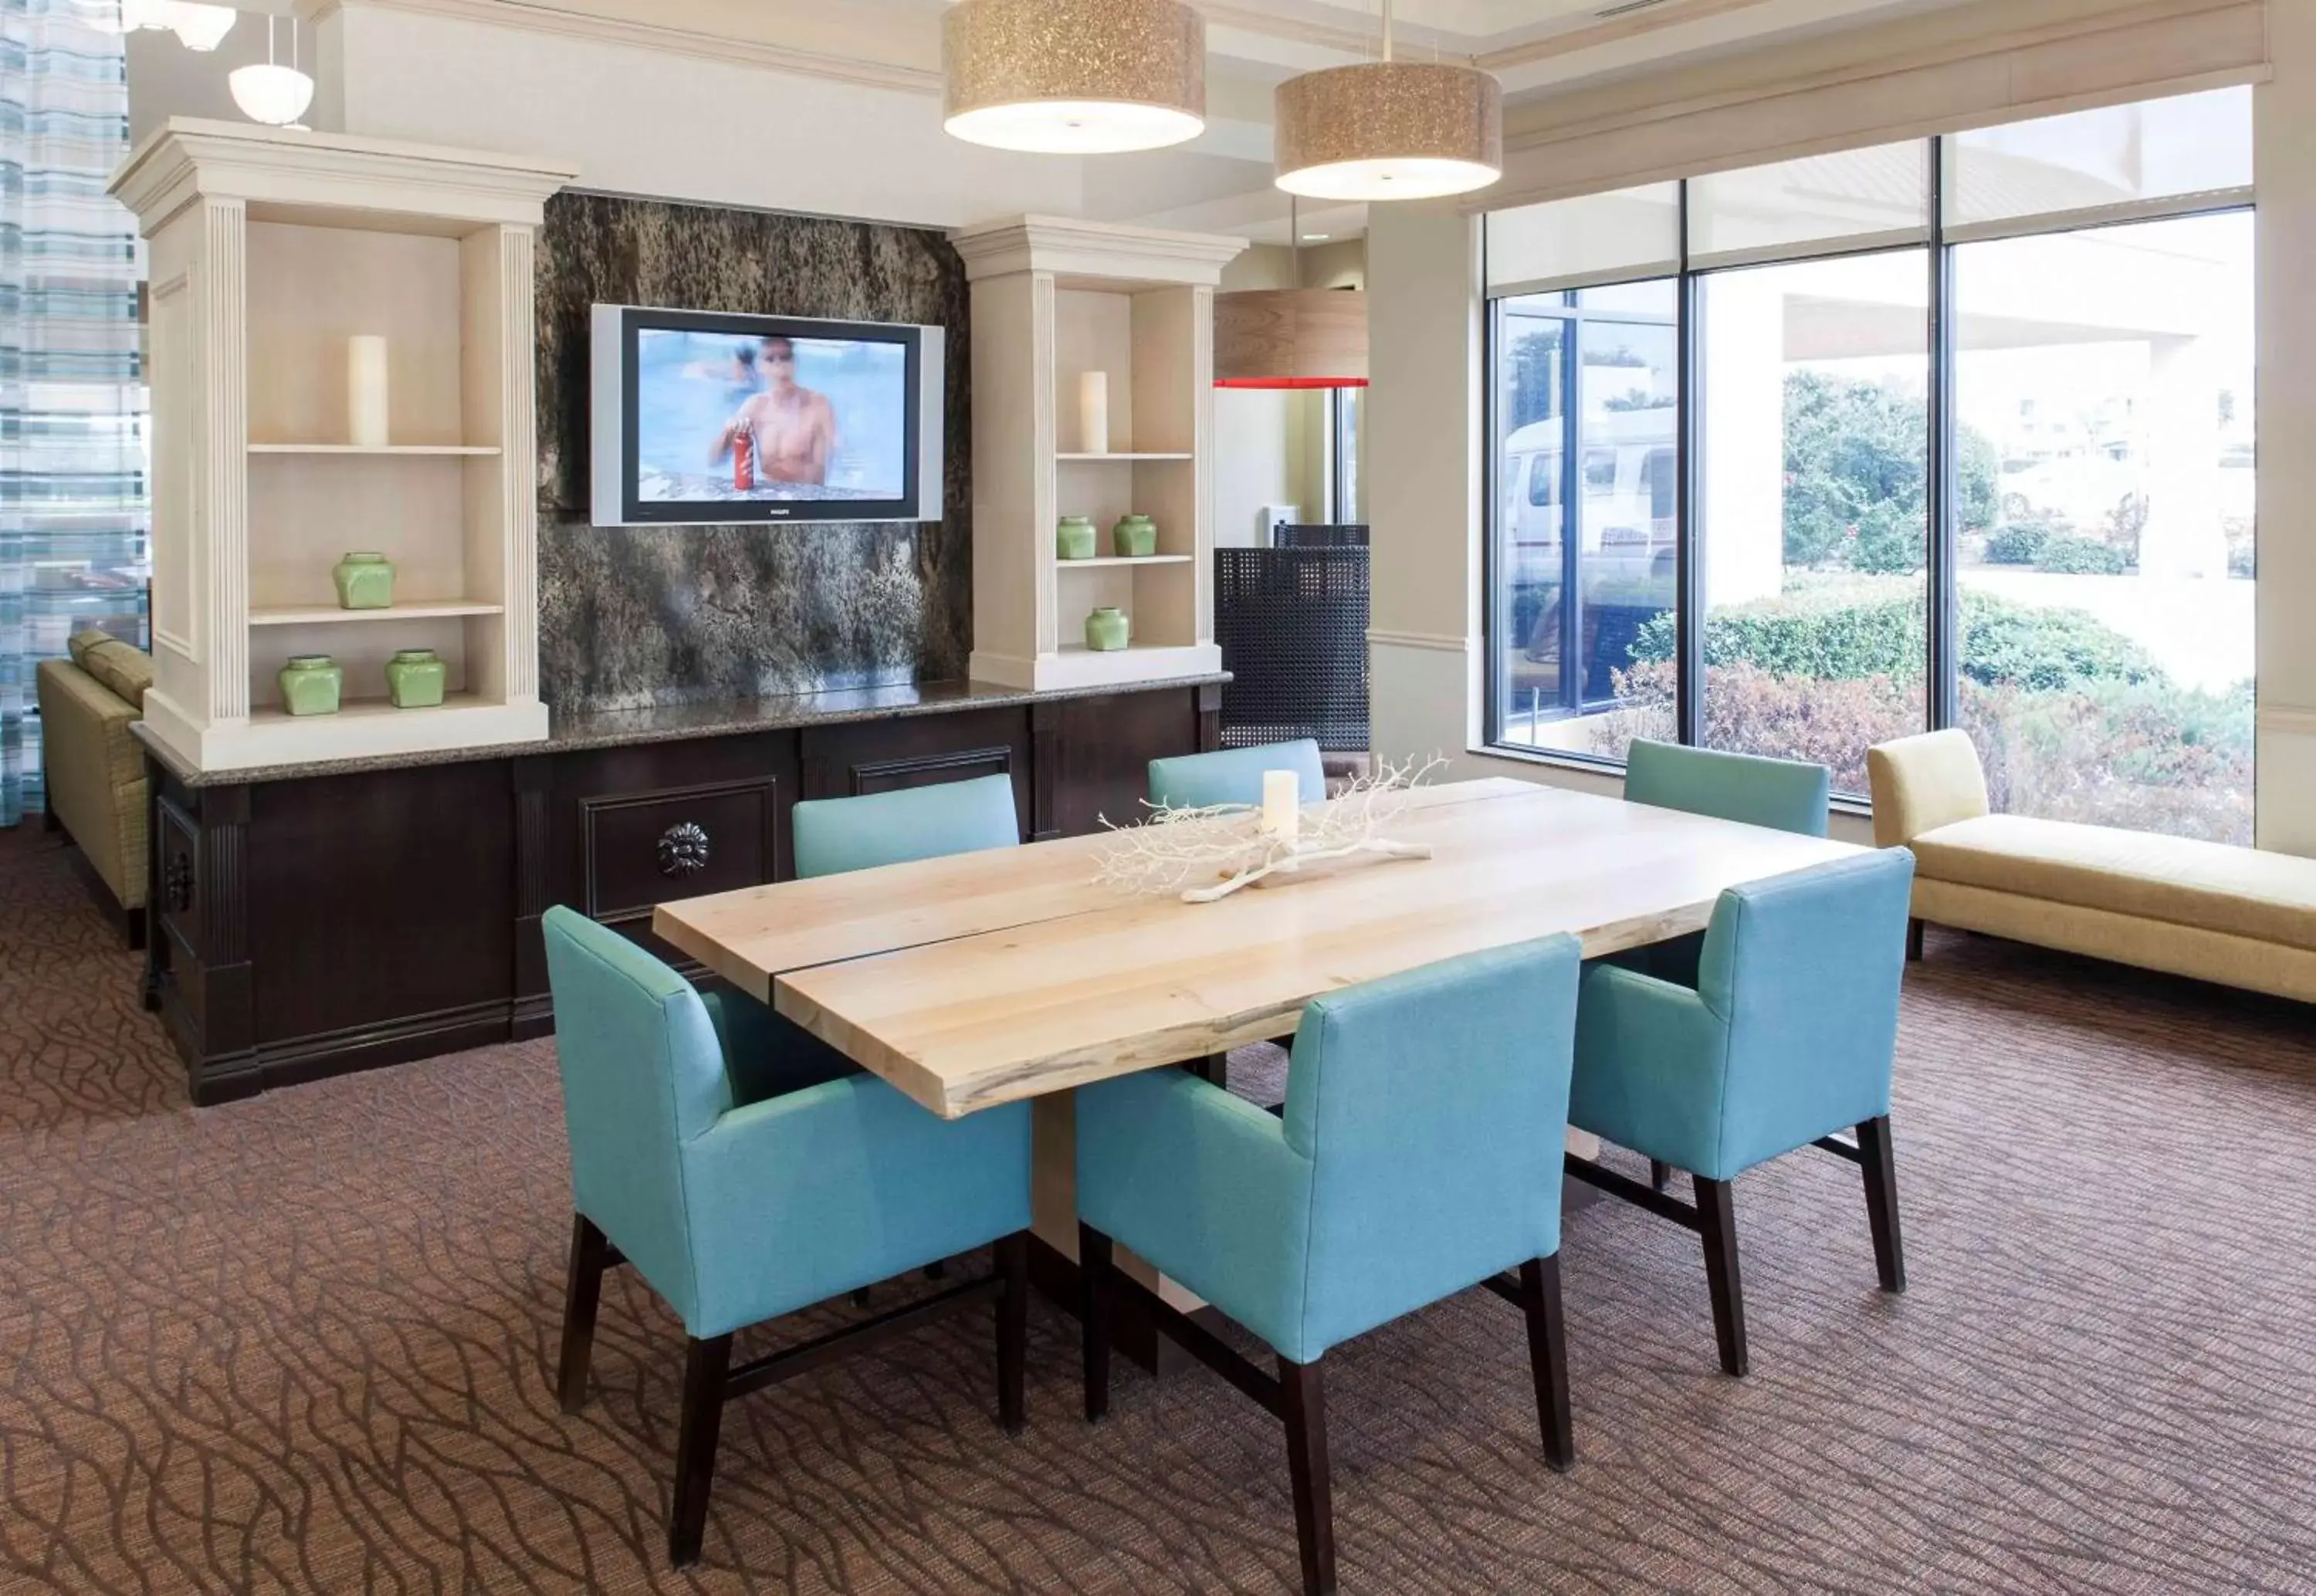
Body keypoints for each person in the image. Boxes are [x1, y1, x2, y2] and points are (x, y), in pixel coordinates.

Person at [710, 336, 837, 487]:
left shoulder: (818, 405)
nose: (778, 365)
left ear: (794, 363)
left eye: (785, 358)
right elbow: (714, 460)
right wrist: (728, 432)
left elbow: (825, 470)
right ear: (760, 366)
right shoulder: (756, 406)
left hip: (806, 501)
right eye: (770, 359)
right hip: (769, 499)